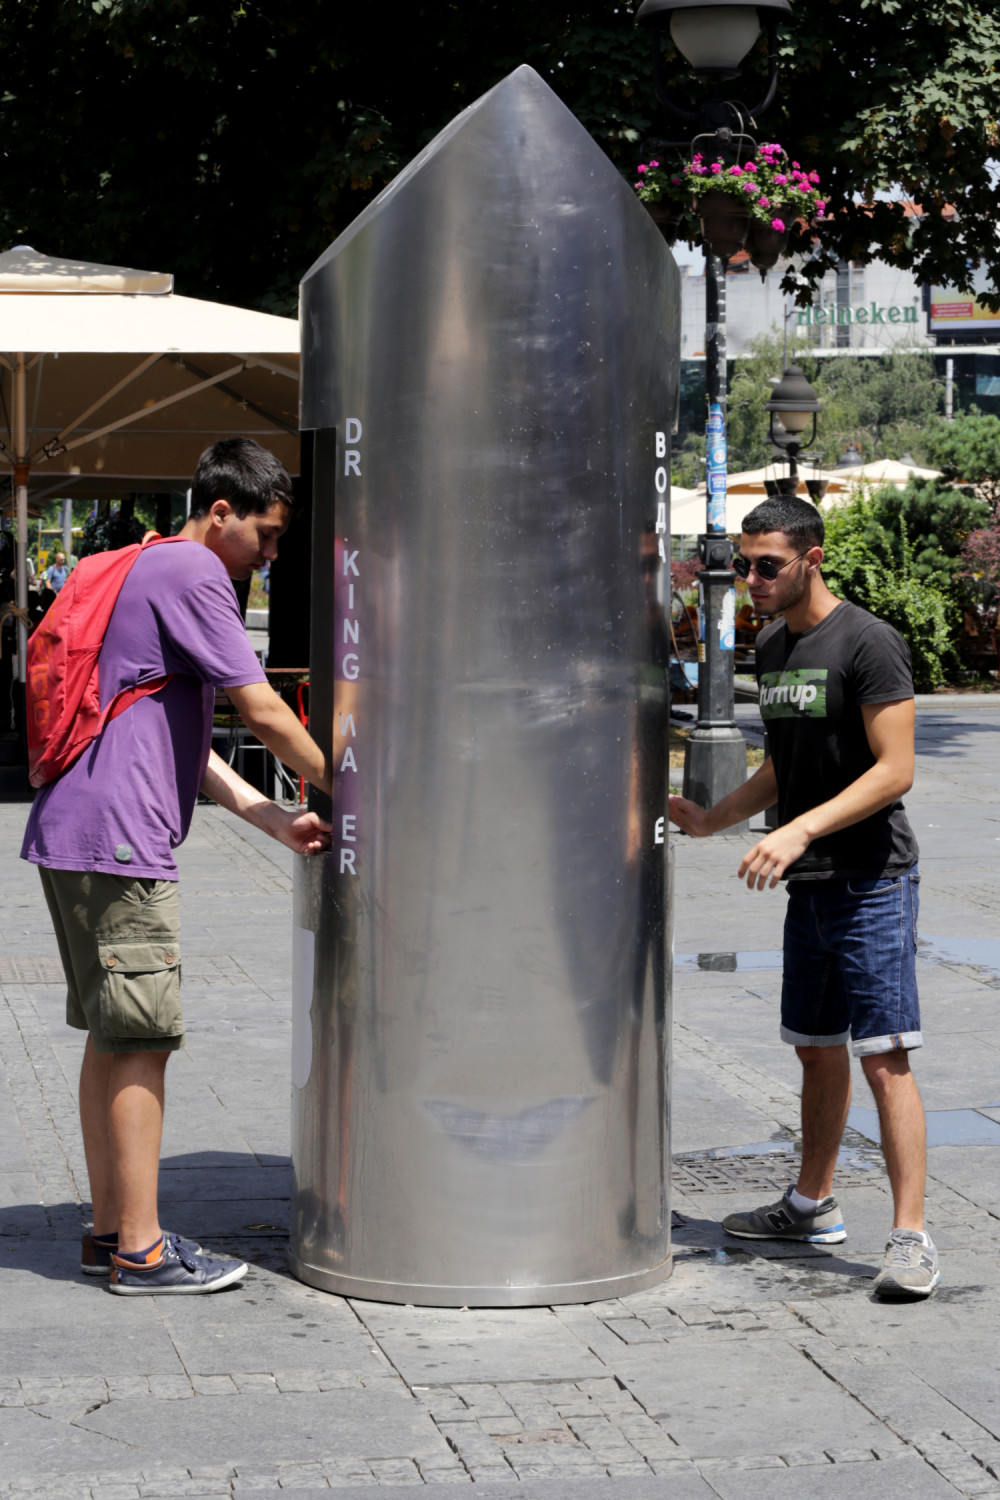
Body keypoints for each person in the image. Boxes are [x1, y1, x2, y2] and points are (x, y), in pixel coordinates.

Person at [21, 438, 332, 1296]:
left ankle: (110, 1232)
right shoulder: (195, 573)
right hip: (121, 841)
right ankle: (143, 1252)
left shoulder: (144, 565)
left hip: (77, 830)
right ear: (221, 511)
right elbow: (262, 710)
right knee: (143, 1042)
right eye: (266, 536)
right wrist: (354, 785)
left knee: (114, 1037)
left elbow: (177, 738)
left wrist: (269, 816)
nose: (271, 555)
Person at [668, 496, 938, 1300]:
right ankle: (811, 1206)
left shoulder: (868, 641)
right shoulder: (775, 646)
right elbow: (784, 764)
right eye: (740, 565)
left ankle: (912, 1238)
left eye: (767, 565)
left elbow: (895, 769)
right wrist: (712, 818)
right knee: (816, 1049)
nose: (750, 580)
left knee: (884, 1056)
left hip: (873, 880)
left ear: (812, 559)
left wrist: (797, 831)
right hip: (813, 885)